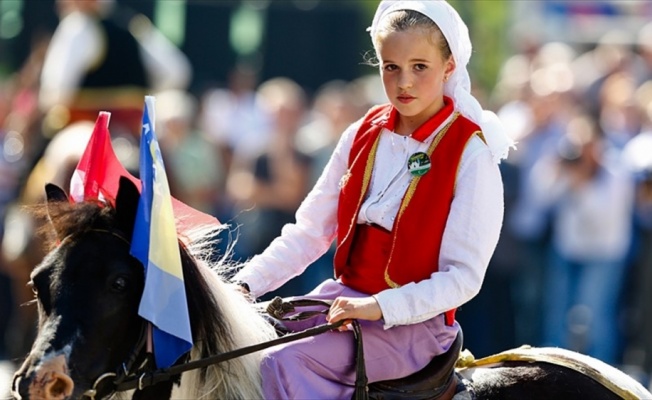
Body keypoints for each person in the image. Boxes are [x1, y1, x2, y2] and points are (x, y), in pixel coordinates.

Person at [232, 1, 513, 398]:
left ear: (449, 66)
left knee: (281, 361)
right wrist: (243, 286)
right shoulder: (360, 133)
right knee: (234, 345)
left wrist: (380, 306)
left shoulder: (471, 153)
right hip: (344, 303)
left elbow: (463, 277)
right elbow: (310, 232)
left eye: (420, 66)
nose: (404, 83)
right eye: (390, 66)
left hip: (415, 326)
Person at [38, 0, 191, 138]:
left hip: (87, 138)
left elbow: (53, 93)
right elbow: (178, 73)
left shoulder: (76, 26)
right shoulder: (134, 26)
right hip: (133, 137)